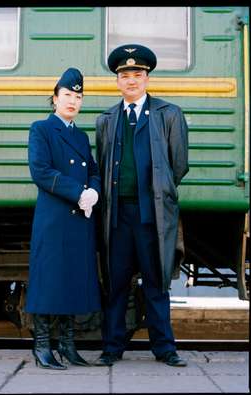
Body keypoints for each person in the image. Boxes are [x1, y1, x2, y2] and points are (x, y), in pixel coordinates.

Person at [94, 44, 189, 367]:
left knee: (156, 283)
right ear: (117, 81)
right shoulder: (106, 119)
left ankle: (165, 349)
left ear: (147, 78)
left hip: (153, 215)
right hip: (118, 215)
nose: (131, 80)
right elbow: (103, 163)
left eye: (137, 74)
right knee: (116, 284)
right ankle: (111, 348)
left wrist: (158, 193)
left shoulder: (169, 114)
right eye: (125, 75)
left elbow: (179, 164)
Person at [25, 67, 101, 370]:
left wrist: (93, 191)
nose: (73, 101)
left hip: (79, 218)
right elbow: (41, 171)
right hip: (54, 218)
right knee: (48, 280)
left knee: (71, 279)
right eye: (67, 95)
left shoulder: (81, 137)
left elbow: (93, 170)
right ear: (55, 98)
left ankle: (68, 346)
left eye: (78, 97)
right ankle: (42, 346)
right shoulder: (41, 129)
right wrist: (78, 192)